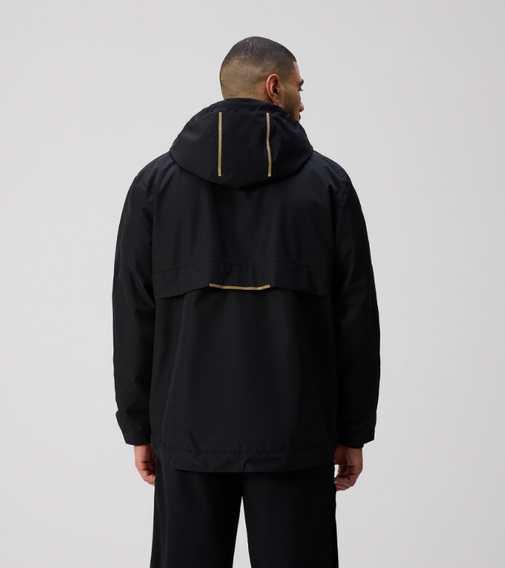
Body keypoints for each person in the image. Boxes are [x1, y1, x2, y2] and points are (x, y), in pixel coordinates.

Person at [112, 36, 381, 568]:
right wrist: (353, 430)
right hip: (297, 433)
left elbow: (134, 313)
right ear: (274, 87)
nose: (304, 102)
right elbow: (355, 318)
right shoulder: (328, 185)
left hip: (187, 431)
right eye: (300, 87)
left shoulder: (155, 185)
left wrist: (139, 425)